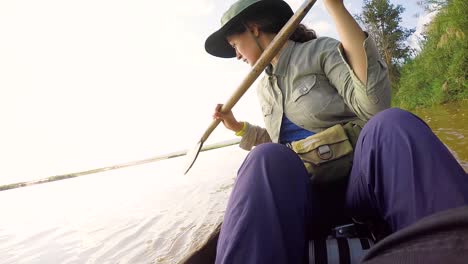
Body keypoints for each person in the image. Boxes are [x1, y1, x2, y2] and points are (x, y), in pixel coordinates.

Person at [205, 0, 468, 263]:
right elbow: (277, 144)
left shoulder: (320, 51)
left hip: (357, 180)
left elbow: (373, 107)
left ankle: (454, 247)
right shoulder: (264, 87)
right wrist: (238, 128)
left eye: (234, 45)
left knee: (392, 123)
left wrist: (334, 6)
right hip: (307, 195)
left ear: (253, 29)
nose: (237, 55)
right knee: (264, 157)